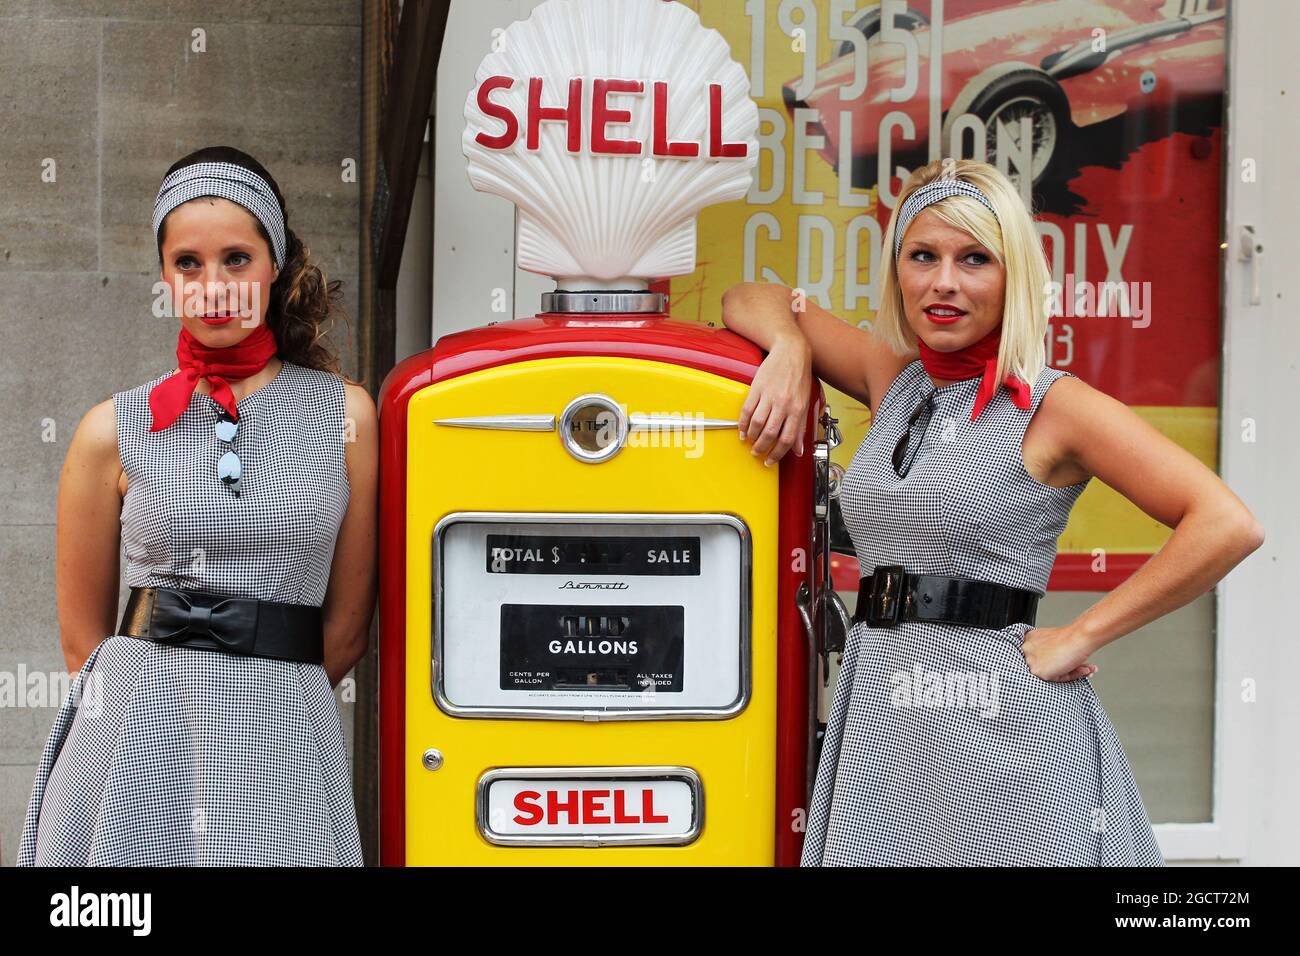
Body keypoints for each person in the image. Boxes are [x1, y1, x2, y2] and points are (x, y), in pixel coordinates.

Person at [721, 158, 1264, 866]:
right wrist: (791, 348)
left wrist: (1084, 633)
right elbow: (748, 296)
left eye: (975, 259)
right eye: (923, 256)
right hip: (886, 712)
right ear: (899, 273)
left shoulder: (1053, 406)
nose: (944, 282)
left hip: (1004, 729)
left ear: (1013, 278)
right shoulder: (895, 379)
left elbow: (1226, 523)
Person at [17, 146, 377, 866]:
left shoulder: (348, 417)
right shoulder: (107, 429)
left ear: (275, 265)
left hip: (285, 738)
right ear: (164, 276)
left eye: (237, 259)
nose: (213, 286)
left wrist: (254, 705)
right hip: (136, 742)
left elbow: (346, 630)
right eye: (188, 263)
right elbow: (83, 643)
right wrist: (168, 714)